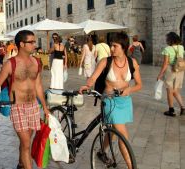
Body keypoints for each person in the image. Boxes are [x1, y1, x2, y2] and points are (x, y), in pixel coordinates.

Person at [0, 30, 50, 169]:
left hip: (33, 106)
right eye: (31, 42)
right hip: (18, 107)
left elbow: (38, 85)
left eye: (34, 42)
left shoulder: (37, 62)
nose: (34, 45)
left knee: (26, 141)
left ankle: (21, 164)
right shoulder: (10, 64)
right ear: (22, 44)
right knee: (26, 143)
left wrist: (44, 106)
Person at [79, 32, 142, 169]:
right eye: (111, 45)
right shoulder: (105, 61)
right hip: (109, 101)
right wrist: (87, 85)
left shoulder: (132, 63)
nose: (111, 49)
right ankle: (132, 166)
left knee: (114, 130)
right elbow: (93, 78)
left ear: (123, 47)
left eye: (114, 46)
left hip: (124, 102)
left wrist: (129, 90)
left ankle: (102, 151)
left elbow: (139, 84)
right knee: (122, 135)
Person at [157, 32, 185, 116]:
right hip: (180, 70)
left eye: (167, 38)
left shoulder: (167, 49)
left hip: (170, 70)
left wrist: (160, 74)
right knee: (175, 90)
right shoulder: (181, 47)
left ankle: (171, 110)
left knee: (169, 90)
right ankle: (183, 107)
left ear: (170, 40)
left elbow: (165, 63)